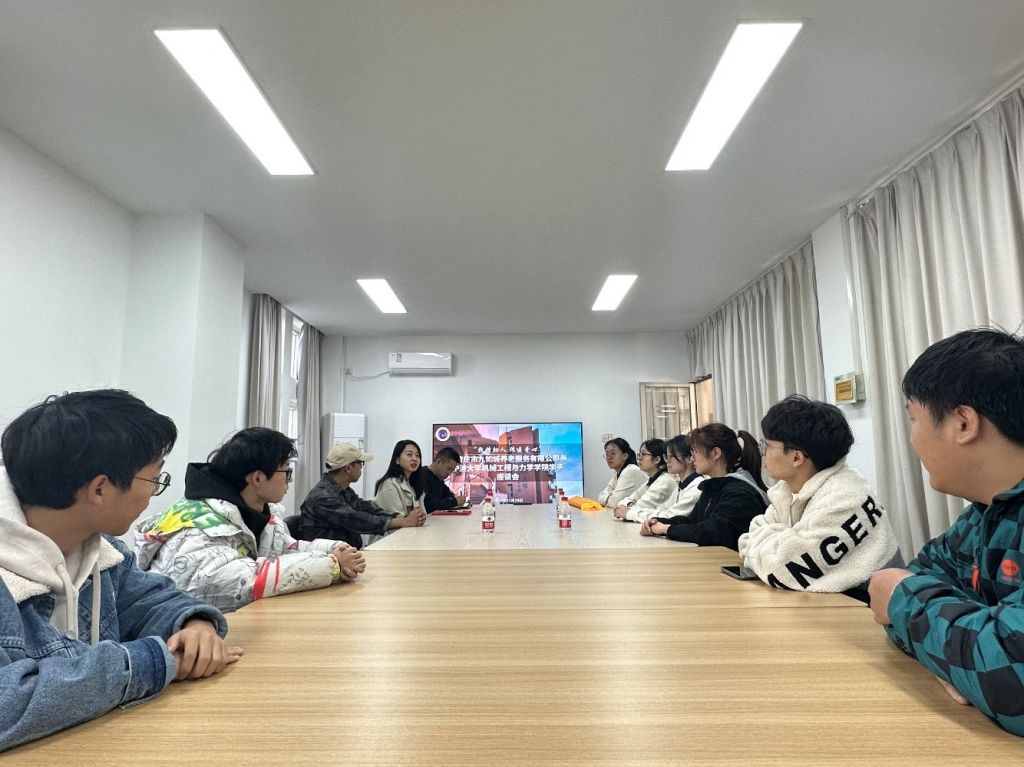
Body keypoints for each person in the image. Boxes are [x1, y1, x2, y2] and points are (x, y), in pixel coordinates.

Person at [0, 390, 241, 751]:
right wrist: (151, 662)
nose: (152, 495)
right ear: (100, 489)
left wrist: (196, 626)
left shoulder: (99, 549)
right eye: (154, 480)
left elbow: (152, 599)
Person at [868, 329, 1024, 737]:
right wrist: (958, 658)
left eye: (913, 419)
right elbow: (919, 577)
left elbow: (1014, 683)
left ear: (963, 423)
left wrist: (908, 605)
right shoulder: (986, 513)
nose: (913, 438)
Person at [135, 427, 366, 613]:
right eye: (287, 472)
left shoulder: (257, 512)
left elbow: (286, 548)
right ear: (257, 478)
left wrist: (335, 550)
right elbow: (241, 581)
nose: (290, 481)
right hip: (181, 640)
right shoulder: (198, 523)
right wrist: (330, 564)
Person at [738, 395, 901, 594]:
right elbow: (752, 532)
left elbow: (781, 571)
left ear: (796, 457)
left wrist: (777, 543)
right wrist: (781, 542)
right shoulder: (788, 490)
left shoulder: (844, 497)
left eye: (768, 446)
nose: (763, 452)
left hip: (867, 607)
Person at [641, 423, 768, 549]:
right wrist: (658, 521)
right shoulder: (714, 487)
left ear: (715, 453)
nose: (693, 458)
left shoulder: (739, 492)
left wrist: (666, 529)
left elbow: (712, 532)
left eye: (695, 451)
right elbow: (694, 520)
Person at [300, 442, 426, 549]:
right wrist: (403, 522)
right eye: (360, 463)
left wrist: (399, 516)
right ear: (348, 468)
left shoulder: (344, 490)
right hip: (328, 559)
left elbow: (366, 508)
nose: (361, 467)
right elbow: (356, 519)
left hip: (348, 554)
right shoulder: (322, 496)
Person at [612, 438, 677, 522]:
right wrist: (630, 504)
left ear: (657, 459)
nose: (640, 458)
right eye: (639, 454)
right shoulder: (652, 479)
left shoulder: (664, 481)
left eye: (644, 454)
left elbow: (640, 507)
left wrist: (629, 508)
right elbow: (622, 502)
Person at [374, 439, 426, 516]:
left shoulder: (413, 484)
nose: (414, 459)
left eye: (417, 455)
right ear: (397, 460)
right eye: (409, 454)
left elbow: (422, 515)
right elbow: (398, 518)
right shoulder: (389, 484)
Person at [596, 438, 647, 508]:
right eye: (607, 454)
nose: (609, 457)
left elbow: (614, 502)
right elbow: (600, 495)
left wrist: (608, 497)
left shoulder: (630, 470)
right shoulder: (618, 474)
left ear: (625, 456)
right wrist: (609, 497)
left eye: (613, 453)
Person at [415, 447, 468, 512]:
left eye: (452, 470)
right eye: (449, 469)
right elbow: (428, 504)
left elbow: (449, 496)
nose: (450, 474)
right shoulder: (421, 477)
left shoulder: (439, 478)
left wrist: (454, 500)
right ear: (438, 461)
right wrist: (454, 501)